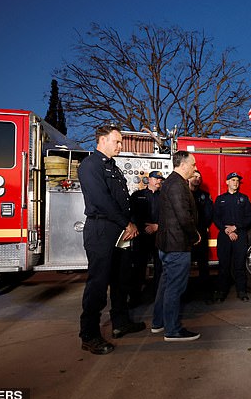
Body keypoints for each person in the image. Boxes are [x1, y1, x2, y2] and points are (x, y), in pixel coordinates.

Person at [77, 125, 145, 355]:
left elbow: (123, 200)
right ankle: (89, 335)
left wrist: (129, 223)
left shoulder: (112, 166)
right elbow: (102, 200)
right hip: (101, 229)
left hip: (119, 230)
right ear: (102, 140)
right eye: (116, 141)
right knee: (98, 283)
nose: (120, 145)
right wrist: (127, 223)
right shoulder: (90, 165)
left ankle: (121, 322)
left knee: (120, 280)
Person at [151, 150, 201, 342]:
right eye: (193, 164)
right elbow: (183, 216)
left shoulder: (171, 182)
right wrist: (194, 235)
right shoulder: (177, 185)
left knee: (165, 285)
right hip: (177, 246)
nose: (195, 169)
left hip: (167, 245)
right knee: (174, 288)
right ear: (183, 164)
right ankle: (172, 330)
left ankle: (158, 323)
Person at [213, 172, 251, 302]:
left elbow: (249, 218)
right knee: (223, 265)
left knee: (240, 265)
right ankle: (221, 292)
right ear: (227, 182)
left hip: (240, 234)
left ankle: (242, 292)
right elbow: (216, 218)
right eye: (232, 180)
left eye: (237, 180)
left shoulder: (244, 198)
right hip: (225, 235)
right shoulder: (220, 199)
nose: (235, 182)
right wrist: (227, 230)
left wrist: (235, 228)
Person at [128, 171, 163, 307]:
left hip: (159, 235)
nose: (159, 181)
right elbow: (131, 214)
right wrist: (140, 227)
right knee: (138, 267)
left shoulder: (165, 197)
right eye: (156, 178)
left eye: (160, 179)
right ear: (149, 180)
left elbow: (169, 216)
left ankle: (158, 297)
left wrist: (157, 226)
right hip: (141, 236)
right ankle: (135, 297)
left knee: (160, 267)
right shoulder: (138, 195)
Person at [189, 170, 214, 303]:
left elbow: (209, 214)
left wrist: (201, 228)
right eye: (195, 176)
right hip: (187, 235)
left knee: (203, 266)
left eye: (199, 177)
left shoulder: (205, 196)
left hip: (201, 234)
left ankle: (206, 295)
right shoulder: (184, 194)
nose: (197, 179)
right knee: (185, 266)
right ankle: (185, 295)